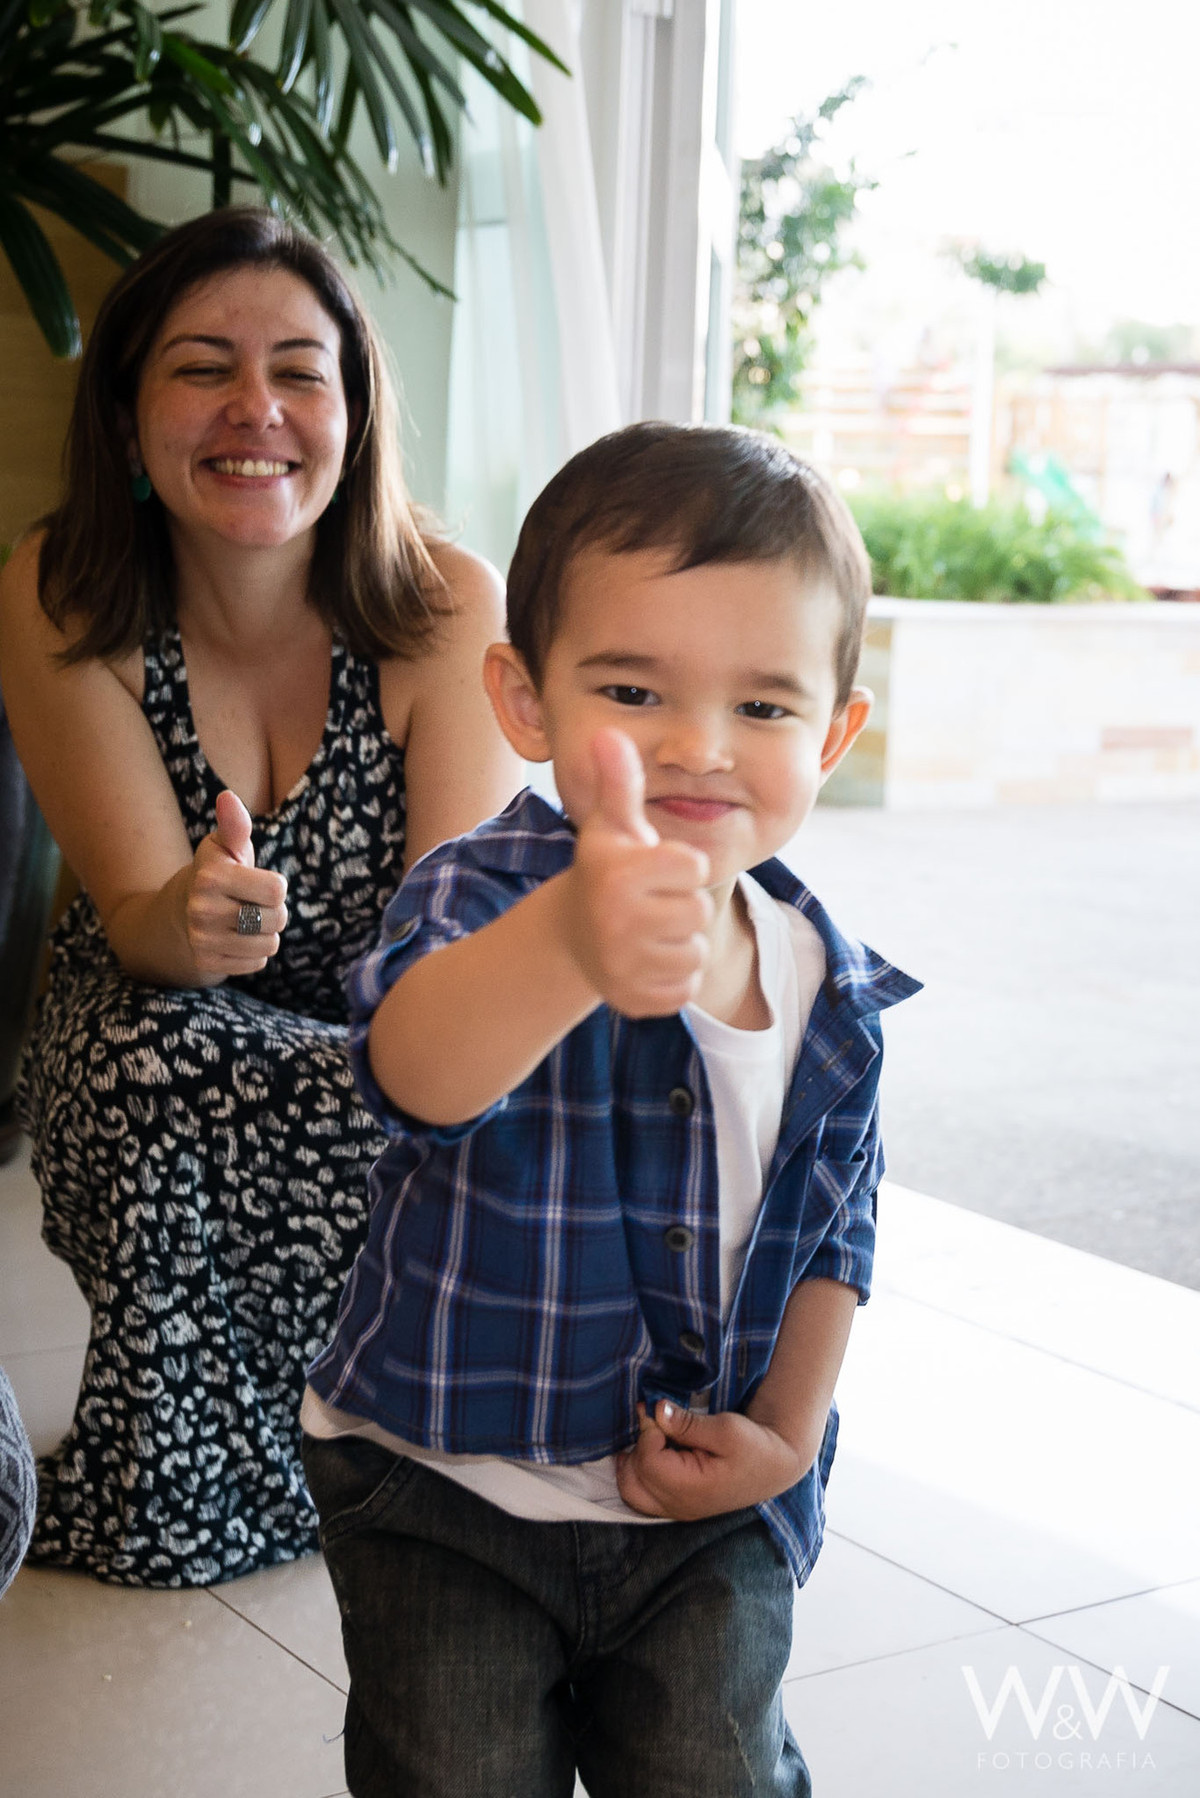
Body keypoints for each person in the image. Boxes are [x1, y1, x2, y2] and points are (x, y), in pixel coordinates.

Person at [301, 422, 921, 1797]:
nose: (699, 747)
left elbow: (837, 1234)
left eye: (763, 707)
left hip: (704, 1510)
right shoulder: (485, 893)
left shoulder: (829, 984)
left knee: (715, 1768)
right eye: (634, 688)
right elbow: (413, 1074)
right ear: (525, 700)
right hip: (443, 1487)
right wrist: (572, 943)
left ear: (833, 732)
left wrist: (787, 1432)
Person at [0, 207, 522, 1588]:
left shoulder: (443, 601)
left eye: (300, 369)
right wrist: (198, 913)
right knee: (143, 1045)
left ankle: (323, 1430)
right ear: (125, 419)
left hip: (381, 1040)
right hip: (158, 1022)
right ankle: (222, 1465)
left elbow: (444, 941)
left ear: (352, 411)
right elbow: (129, 916)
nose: (256, 409)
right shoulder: (60, 588)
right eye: (201, 367)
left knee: (423, 1087)